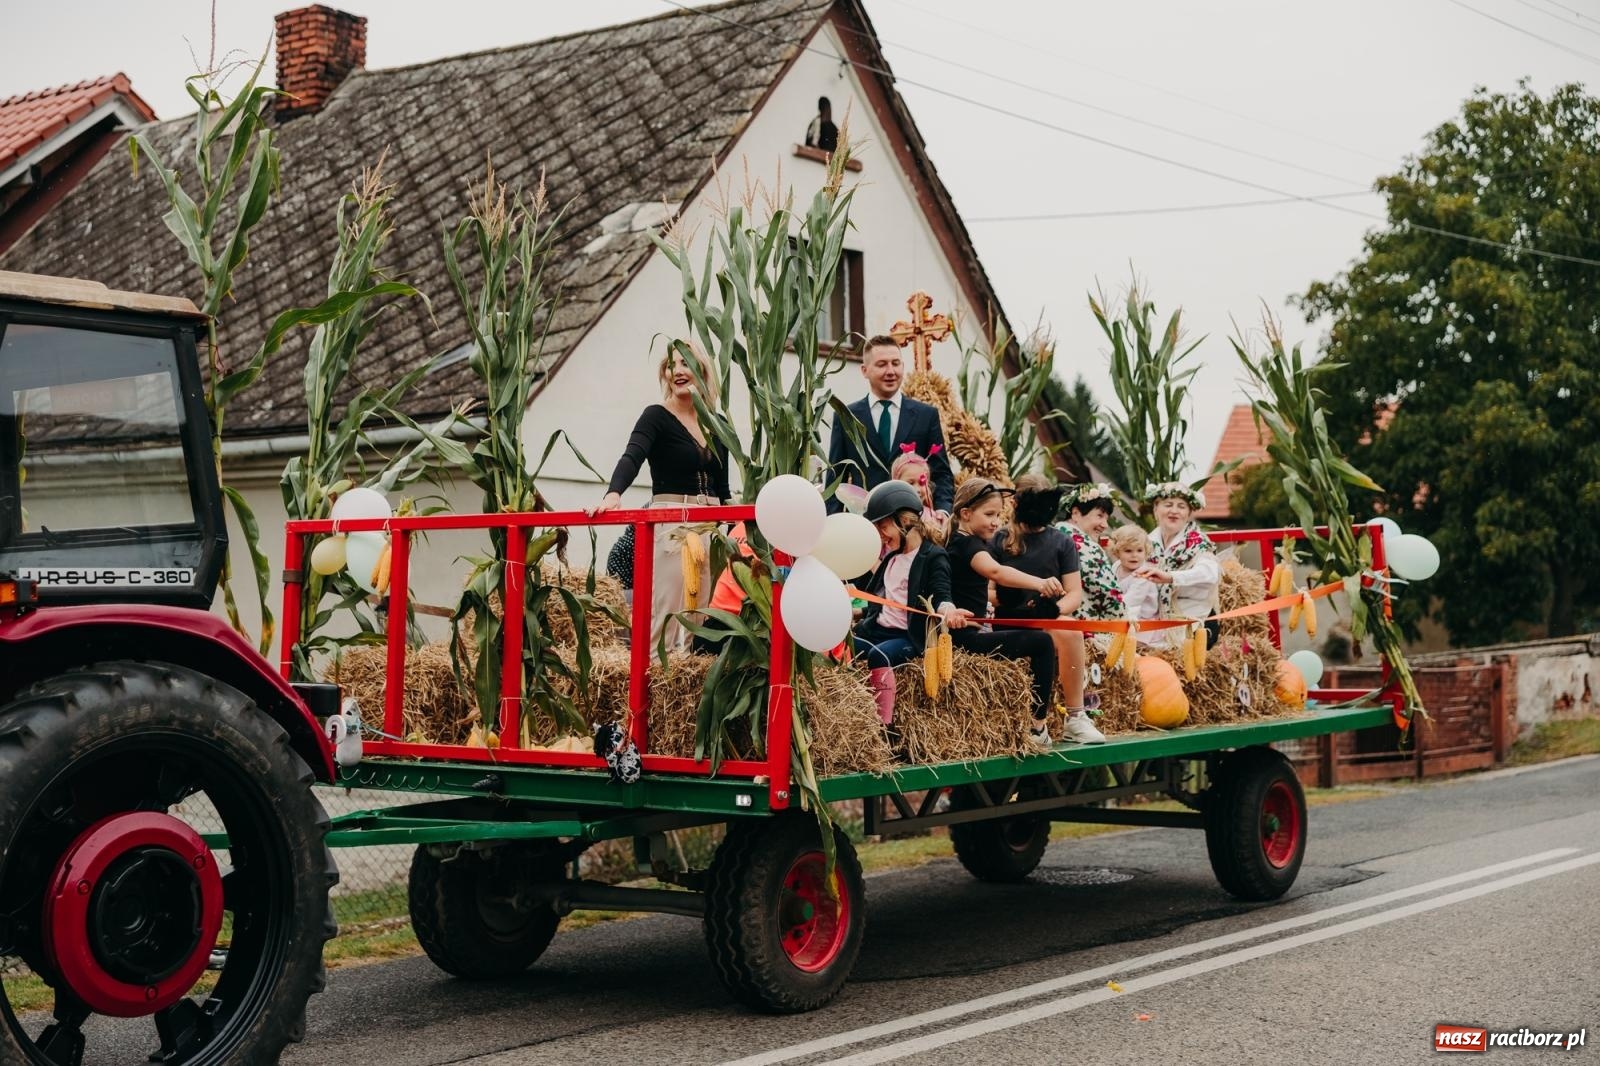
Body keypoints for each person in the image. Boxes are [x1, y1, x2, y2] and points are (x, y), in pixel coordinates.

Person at [593, 346, 730, 650]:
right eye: (671, 365)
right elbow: (632, 456)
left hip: (710, 525)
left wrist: (736, 525)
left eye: (686, 363)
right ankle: (658, 682)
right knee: (668, 613)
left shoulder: (717, 424)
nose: (678, 371)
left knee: (701, 615)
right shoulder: (656, 416)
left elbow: (724, 489)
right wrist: (613, 494)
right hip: (673, 521)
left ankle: (690, 685)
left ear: (703, 371)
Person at [946, 477, 1064, 747]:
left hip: (967, 633)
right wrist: (1039, 583)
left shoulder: (959, 541)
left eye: (998, 515)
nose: (995, 522)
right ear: (965, 514)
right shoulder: (969, 545)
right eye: (989, 514)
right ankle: (1037, 726)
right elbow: (996, 572)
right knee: (1043, 643)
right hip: (967, 639)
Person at [992, 475, 1104, 744]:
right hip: (1009, 621)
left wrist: (1053, 609)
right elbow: (987, 590)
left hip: (1046, 618)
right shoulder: (999, 540)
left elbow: (1074, 593)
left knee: (1071, 632)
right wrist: (1010, 600)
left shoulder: (1062, 542)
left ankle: (1076, 717)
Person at [852, 482, 967, 726]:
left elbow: (942, 595)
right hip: (877, 630)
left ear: (904, 522)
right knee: (845, 647)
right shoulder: (892, 557)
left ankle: (884, 726)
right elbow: (885, 602)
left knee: (878, 655)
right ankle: (851, 717)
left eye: (883, 527)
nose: (880, 535)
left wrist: (949, 611)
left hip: (907, 636)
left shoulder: (933, 556)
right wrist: (856, 612)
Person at [827, 336, 953, 514]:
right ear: (864, 370)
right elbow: (834, 480)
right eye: (882, 364)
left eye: (896, 363)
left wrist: (943, 511)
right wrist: (835, 523)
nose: (891, 371)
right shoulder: (846, 417)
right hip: (866, 522)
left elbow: (941, 474)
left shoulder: (926, 415)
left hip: (914, 522)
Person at [1142, 482, 1221, 648]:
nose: (1174, 511)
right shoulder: (1147, 542)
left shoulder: (1198, 542)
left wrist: (1171, 577)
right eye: (1168, 505)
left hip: (1193, 621)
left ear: (1189, 513)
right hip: (1156, 619)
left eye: (1181, 506)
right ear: (1156, 509)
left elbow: (1210, 572)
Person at [1058, 482, 1125, 622]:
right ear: (1076, 513)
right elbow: (1107, 591)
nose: (1105, 525)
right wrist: (1126, 618)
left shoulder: (1054, 535)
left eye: (1106, 518)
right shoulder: (1084, 545)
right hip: (1082, 627)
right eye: (1099, 516)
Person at [890, 444, 950, 543]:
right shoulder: (890, 517)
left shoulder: (933, 518)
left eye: (922, 483)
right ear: (896, 483)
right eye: (911, 483)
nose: (917, 489)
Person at [1108, 523, 1159, 626]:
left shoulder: (1144, 575)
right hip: (1122, 614)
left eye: (1139, 550)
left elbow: (1130, 602)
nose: (1134, 555)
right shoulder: (1116, 566)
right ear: (1117, 552)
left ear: (1146, 551)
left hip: (1143, 621)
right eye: (1128, 551)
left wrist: (1106, 607)